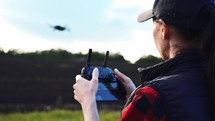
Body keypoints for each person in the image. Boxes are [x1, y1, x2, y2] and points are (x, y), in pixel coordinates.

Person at [73, 0, 215, 120]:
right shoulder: (207, 77)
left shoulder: (153, 97)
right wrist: (135, 97)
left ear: (164, 30)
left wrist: (88, 102)